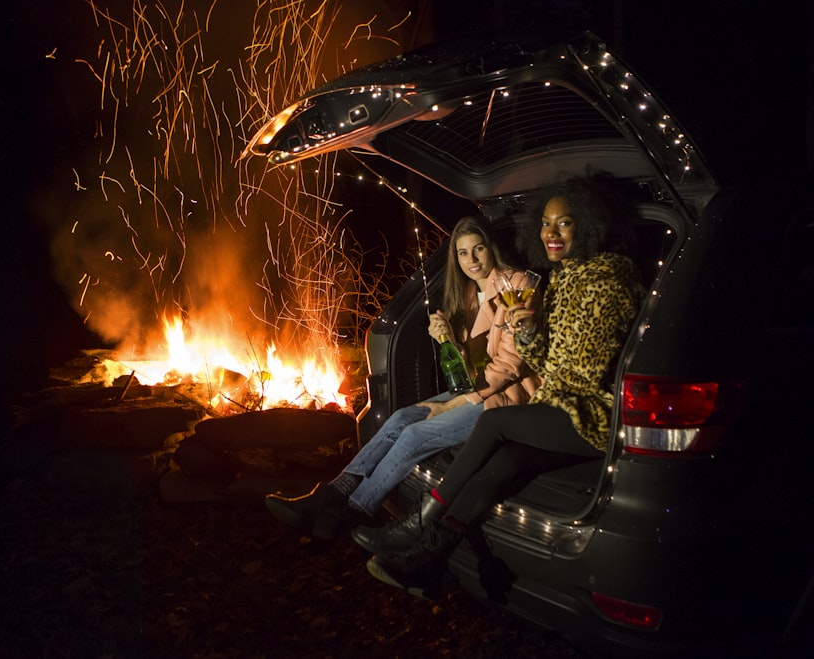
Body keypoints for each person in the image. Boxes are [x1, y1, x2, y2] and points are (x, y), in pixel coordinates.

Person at [364, 174, 646, 598]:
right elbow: (545, 360)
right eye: (546, 223)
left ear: (588, 225)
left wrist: (533, 342)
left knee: (496, 425)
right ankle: (430, 558)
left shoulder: (608, 282)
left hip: (591, 412)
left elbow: (581, 375)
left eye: (564, 223)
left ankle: (420, 522)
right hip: (558, 401)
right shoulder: (564, 278)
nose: (551, 233)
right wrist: (531, 332)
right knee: (507, 461)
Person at [264, 215, 540, 541]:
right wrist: (447, 341)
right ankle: (331, 496)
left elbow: (512, 362)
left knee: (413, 436)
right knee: (399, 419)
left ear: (491, 249)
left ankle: (352, 513)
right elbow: (468, 367)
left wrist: (454, 405)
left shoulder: (518, 284)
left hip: (507, 399)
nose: (473, 260)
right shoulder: (467, 295)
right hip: (476, 389)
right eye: (464, 253)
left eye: (478, 249)